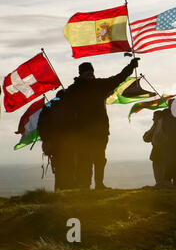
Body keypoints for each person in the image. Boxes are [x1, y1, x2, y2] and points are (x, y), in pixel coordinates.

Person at [65, 58, 139, 189]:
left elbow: (118, 78)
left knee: (99, 159)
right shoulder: (73, 90)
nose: (90, 74)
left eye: (91, 72)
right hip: (82, 132)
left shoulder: (98, 85)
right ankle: (85, 185)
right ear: (81, 74)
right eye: (87, 72)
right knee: (85, 159)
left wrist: (130, 67)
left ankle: (98, 184)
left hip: (99, 131)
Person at [38, 89, 77, 190]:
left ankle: (60, 190)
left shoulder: (48, 107)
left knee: (59, 168)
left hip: (54, 143)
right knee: (70, 166)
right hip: (68, 143)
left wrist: (46, 141)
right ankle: (68, 190)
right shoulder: (70, 107)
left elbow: (41, 126)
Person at [143, 110, 165, 187]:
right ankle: (161, 186)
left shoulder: (158, 126)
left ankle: (161, 185)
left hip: (159, 150)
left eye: (154, 118)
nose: (153, 119)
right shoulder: (157, 126)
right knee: (160, 171)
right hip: (160, 151)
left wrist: (154, 126)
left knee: (159, 171)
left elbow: (146, 138)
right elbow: (146, 138)